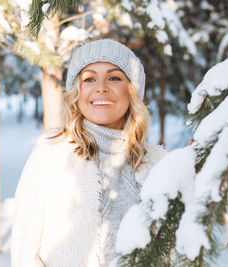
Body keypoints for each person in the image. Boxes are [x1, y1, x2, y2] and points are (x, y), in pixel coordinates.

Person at [11, 39, 167, 267]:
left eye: (114, 78)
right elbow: (24, 251)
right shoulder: (51, 154)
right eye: (89, 79)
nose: (101, 87)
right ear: (77, 91)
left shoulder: (156, 165)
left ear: (133, 90)